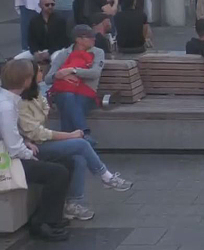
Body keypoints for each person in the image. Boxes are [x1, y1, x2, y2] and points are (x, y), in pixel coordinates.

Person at [19, 61, 131, 221]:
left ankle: (73, 204)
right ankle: (106, 176)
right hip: (31, 147)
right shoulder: (20, 103)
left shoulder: (37, 94)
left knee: (78, 157)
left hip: (39, 142)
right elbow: (36, 133)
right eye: (39, 72)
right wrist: (69, 135)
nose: (42, 74)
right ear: (28, 78)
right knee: (80, 143)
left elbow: (44, 110)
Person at [0, 60, 73, 241]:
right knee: (58, 172)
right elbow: (14, 148)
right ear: (26, 81)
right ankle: (42, 223)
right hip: (8, 159)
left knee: (66, 161)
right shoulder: (7, 106)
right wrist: (30, 154)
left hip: (10, 151)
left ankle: (51, 217)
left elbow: (9, 134)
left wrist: (25, 142)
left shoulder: (8, 100)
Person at [45, 25, 105, 145]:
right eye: (89, 37)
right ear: (78, 40)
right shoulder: (64, 54)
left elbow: (95, 73)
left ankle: (70, 142)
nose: (94, 39)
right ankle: (84, 134)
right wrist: (60, 75)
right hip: (64, 91)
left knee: (68, 103)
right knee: (68, 96)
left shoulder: (98, 52)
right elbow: (47, 78)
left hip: (86, 93)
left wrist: (73, 71)